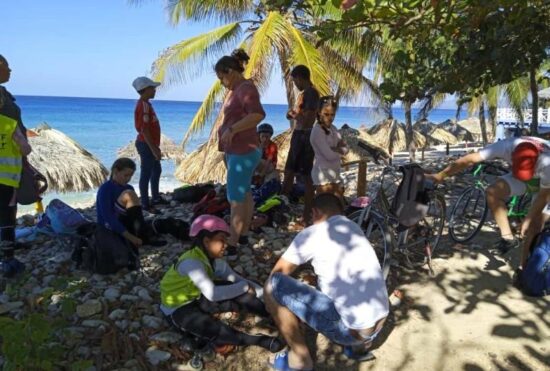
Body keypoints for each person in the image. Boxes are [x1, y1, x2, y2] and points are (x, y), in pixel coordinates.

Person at [264, 193, 389, 370]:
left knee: (272, 285)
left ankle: (300, 360)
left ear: (314, 212)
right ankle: (356, 349)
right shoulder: (353, 227)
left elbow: (277, 273)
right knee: (330, 281)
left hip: (351, 332)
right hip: (377, 327)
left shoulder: (312, 234)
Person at [160, 214, 285, 353]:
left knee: (241, 291)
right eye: (221, 239)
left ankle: (272, 315)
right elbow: (213, 294)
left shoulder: (216, 262)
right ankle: (259, 340)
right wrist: (244, 287)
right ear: (207, 241)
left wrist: (265, 296)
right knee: (214, 330)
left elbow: (237, 280)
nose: (226, 244)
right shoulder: (191, 263)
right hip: (177, 308)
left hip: (197, 297)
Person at [426, 137, 550, 264]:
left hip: (546, 184)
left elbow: (543, 196)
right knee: (492, 192)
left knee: (534, 226)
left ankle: (524, 269)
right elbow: (469, 159)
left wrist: (528, 219)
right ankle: (508, 238)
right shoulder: (505, 146)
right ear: (511, 156)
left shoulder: (547, 161)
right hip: (528, 178)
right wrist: (441, 175)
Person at [216, 51, 265, 258]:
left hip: (243, 151)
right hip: (239, 151)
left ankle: (233, 243)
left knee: (235, 197)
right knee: (244, 193)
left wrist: (232, 129)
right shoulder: (237, 89)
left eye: (221, 78)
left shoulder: (246, 88)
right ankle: (243, 234)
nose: (221, 83)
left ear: (230, 72)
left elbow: (258, 114)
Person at [0, 55, 31, 277]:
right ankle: (8, 259)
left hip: (9, 163)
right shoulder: (4, 104)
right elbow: (17, 137)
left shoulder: (5, 95)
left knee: (8, 209)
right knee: (7, 211)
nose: (11, 71)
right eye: (7, 67)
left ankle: (6, 247)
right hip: (6, 167)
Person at [282, 65, 320, 227]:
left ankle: (306, 216)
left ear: (300, 77)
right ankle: (282, 207)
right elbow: (298, 115)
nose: (295, 84)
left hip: (305, 136)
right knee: (289, 172)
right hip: (301, 135)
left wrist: (294, 114)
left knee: (305, 176)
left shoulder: (311, 93)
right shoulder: (305, 94)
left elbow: (308, 118)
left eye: (295, 80)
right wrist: (294, 114)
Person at [96, 158, 165, 247]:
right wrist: (131, 238)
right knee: (129, 194)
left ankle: (142, 235)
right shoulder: (105, 189)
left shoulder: (128, 187)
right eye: (126, 175)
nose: (128, 179)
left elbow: (136, 216)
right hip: (108, 227)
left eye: (131, 176)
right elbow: (108, 218)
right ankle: (141, 237)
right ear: (116, 171)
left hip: (124, 223)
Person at [133, 76, 165, 214]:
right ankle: (145, 204)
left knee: (156, 170)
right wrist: (154, 149)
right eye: (153, 88)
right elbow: (144, 130)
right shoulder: (144, 106)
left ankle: (156, 197)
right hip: (146, 145)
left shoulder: (146, 104)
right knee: (146, 174)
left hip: (148, 144)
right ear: (145, 90)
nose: (155, 90)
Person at [310, 96, 348, 198]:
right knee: (326, 210)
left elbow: (346, 148)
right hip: (323, 176)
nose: (330, 118)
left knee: (337, 207)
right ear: (319, 112)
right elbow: (329, 155)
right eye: (326, 114)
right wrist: (339, 149)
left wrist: (335, 149)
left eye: (332, 114)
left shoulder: (334, 129)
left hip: (335, 174)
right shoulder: (317, 131)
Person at [253, 123, 281, 204]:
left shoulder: (272, 146)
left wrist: (261, 176)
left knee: (272, 184)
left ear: (270, 136)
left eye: (267, 137)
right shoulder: (256, 145)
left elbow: (268, 162)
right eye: (263, 136)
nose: (265, 139)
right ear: (259, 136)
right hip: (259, 167)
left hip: (269, 167)